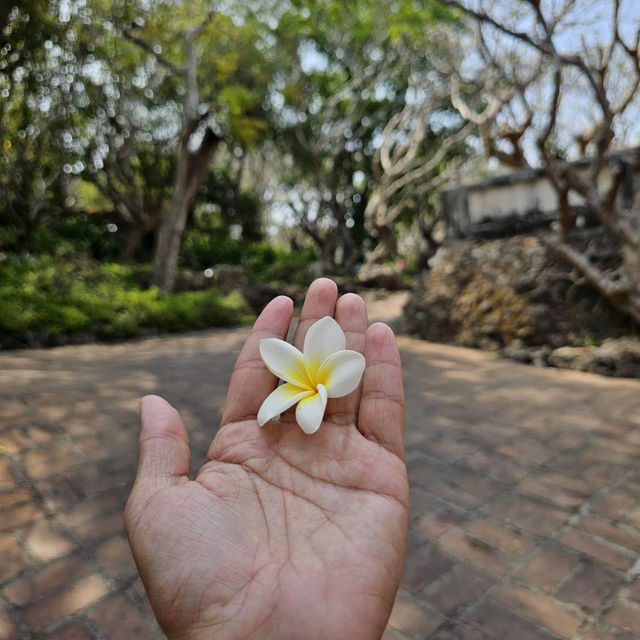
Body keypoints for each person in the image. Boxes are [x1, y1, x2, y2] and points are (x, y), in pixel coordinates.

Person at [124, 278, 409, 640]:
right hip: (306, 388)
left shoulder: (331, 377)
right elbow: (276, 402)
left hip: (313, 387)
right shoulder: (292, 390)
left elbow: (339, 375)